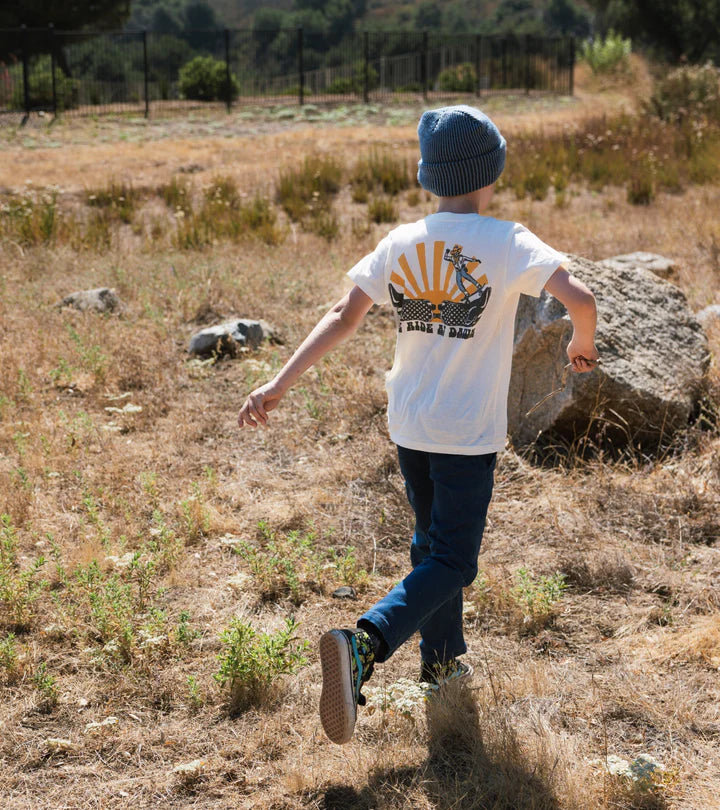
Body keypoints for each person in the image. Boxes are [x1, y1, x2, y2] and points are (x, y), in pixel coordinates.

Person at [238, 104, 599, 745]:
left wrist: (277, 383)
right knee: (455, 559)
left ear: (428, 175)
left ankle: (440, 665)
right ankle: (364, 645)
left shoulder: (401, 241)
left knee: (431, 547)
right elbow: (580, 298)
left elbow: (343, 317)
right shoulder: (507, 240)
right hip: (466, 433)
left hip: (410, 426)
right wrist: (581, 345)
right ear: (491, 171)